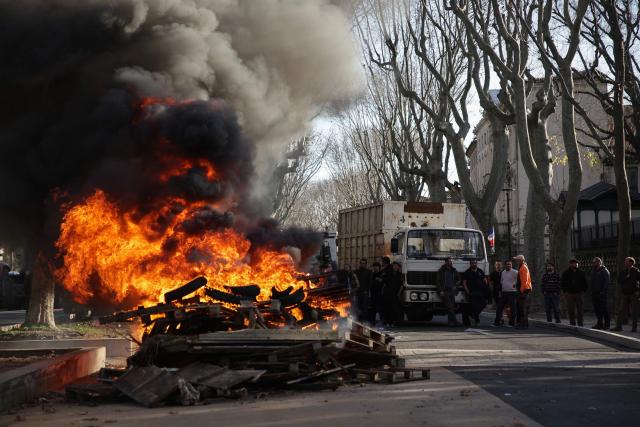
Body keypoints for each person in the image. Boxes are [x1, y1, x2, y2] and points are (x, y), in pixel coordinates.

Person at [611, 257, 640, 332]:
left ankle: (634, 328)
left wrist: (638, 291)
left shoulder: (636, 271)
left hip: (633, 293)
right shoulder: (623, 271)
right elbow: (619, 280)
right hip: (625, 293)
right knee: (621, 310)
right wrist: (626, 278)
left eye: (626, 261)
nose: (625, 263)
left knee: (634, 311)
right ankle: (618, 326)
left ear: (631, 262)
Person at [561, 258, 588, 326]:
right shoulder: (566, 273)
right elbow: (562, 282)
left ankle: (580, 323)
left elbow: (585, 282)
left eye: (576, 263)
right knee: (571, 309)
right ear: (570, 264)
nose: (575, 265)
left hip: (579, 293)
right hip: (569, 293)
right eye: (573, 263)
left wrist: (583, 290)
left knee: (580, 309)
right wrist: (565, 291)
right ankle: (572, 322)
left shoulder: (581, 272)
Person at [462, 259, 487, 327]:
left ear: (477, 263)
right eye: (472, 263)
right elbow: (464, 283)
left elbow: (485, 280)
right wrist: (467, 292)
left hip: (481, 292)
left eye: (475, 263)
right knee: (474, 306)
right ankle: (476, 320)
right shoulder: (467, 272)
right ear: (470, 264)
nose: (474, 264)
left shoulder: (480, 271)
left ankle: (473, 316)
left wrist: (485, 288)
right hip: (472, 292)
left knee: (484, 304)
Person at [494, 260, 518, 327]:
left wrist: (515, 285)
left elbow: (519, 280)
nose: (509, 265)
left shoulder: (515, 272)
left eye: (510, 264)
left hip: (512, 292)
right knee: (499, 307)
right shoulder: (503, 272)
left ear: (511, 265)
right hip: (504, 292)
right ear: (505, 265)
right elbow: (502, 281)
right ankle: (497, 322)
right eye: (507, 264)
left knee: (513, 308)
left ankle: (512, 323)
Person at [437, 257, 460, 326]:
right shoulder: (441, 271)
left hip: (452, 290)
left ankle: (450, 322)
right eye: (449, 261)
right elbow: (438, 281)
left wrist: (456, 285)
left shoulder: (454, 270)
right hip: (445, 291)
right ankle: (455, 321)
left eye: (451, 261)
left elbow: (459, 279)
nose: (450, 262)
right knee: (449, 306)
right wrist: (440, 290)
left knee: (451, 306)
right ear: (446, 262)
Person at [590, 257, 610, 330]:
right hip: (595, 293)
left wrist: (603, 291)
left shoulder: (604, 270)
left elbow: (607, 282)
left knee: (604, 309)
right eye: (593, 262)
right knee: (597, 309)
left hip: (602, 294)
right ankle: (599, 323)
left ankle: (607, 325)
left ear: (599, 262)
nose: (593, 264)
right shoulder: (594, 271)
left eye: (595, 262)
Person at [513, 255, 532, 329]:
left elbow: (524, 280)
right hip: (524, 290)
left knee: (523, 308)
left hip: (524, 290)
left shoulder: (523, 267)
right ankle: (524, 323)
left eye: (517, 260)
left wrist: (521, 291)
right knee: (522, 308)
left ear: (520, 260)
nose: (516, 261)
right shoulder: (522, 267)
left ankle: (523, 324)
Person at [354, 258, 373, 323]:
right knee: (357, 307)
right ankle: (358, 321)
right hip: (357, 292)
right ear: (360, 264)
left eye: (364, 263)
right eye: (361, 263)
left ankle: (364, 321)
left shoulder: (369, 272)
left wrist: (367, 291)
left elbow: (370, 282)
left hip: (365, 292)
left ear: (366, 264)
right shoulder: (356, 272)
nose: (362, 264)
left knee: (364, 307)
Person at [378, 257, 394, 327]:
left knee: (387, 307)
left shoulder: (389, 269)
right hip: (387, 291)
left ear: (385, 262)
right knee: (386, 307)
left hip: (388, 291)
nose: (381, 263)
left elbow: (387, 279)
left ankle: (388, 322)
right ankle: (387, 321)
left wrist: (381, 279)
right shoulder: (386, 269)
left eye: (382, 262)